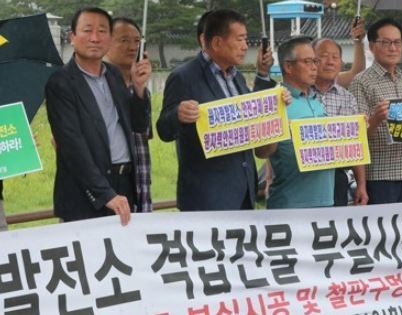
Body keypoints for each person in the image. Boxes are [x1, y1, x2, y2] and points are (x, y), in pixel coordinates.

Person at [156, 9, 278, 211]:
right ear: (217, 43)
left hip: (244, 192)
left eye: (246, 40)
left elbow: (252, 114)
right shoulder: (184, 77)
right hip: (206, 197)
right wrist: (178, 114)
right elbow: (163, 129)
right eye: (240, 40)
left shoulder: (236, 77)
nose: (245, 46)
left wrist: (263, 76)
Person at [45, 7, 151, 225]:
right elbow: (71, 145)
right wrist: (105, 193)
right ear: (72, 37)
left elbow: (138, 126)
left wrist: (139, 90)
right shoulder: (61, 83)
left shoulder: (113, 74)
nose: (95, 37)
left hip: (125, 182)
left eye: (102, 31)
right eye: (87, 30)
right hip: (86, 191)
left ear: (109, 38)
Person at [255, 37, 334, 209]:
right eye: (307, 61)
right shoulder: (275, 101)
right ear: (288, 66)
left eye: (315, 61)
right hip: (291, 204)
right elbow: (261, 152)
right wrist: (276, 121)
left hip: (326, 202)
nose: (314, 67)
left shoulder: (316, 100)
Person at [349, 18, 402, 204]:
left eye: (397, 42)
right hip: (380, 176)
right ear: (371, 46)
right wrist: (375, 119)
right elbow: (356, 136)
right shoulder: (361, 82)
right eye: (385, 43)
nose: (392, 48)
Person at [312, 37, 368, 206]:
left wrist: (361, 185)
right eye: (324, 56)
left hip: (337, 176)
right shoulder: (299, 95)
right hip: (306, 176)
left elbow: (356, 144)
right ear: (311, 60)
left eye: (335, 57)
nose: (330, 62)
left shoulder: (348, 98)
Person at [105, 17, 153, 213]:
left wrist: (139, 88)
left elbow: (143, 134)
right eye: (124, 40)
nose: (132, 47)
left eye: (137, 41)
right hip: (108, 189)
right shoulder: (95, 87)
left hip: (139, 183)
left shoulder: (142, 89)